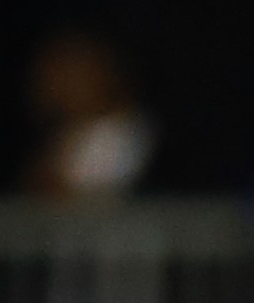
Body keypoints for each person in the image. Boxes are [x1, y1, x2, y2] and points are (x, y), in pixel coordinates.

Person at [23, 29, 156, 204]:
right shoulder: (72, 133)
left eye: (68, 72)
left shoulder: (124, 133)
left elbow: (76, 206)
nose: (52, 85)